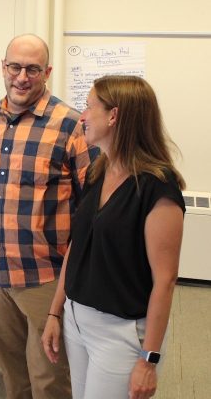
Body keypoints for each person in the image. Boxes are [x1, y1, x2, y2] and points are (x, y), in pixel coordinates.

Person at [0, 33, 98, 399]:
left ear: (46, 72)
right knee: (13, 374)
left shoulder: (72, 126)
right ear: (3, 67)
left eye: (32, 69)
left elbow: (93, 204)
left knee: (49, 379)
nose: (22, 77)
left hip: (46, 278)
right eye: (14, 66)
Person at [42, 75, 186, 399]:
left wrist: (149, 361)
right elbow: (77, 247)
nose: (81, 116)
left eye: (89, 107)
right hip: (76, 321)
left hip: (120, 333)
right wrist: (55, 311)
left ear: (114, 116)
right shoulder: (99, 170)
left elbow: (166, 280)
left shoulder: (158, 187)